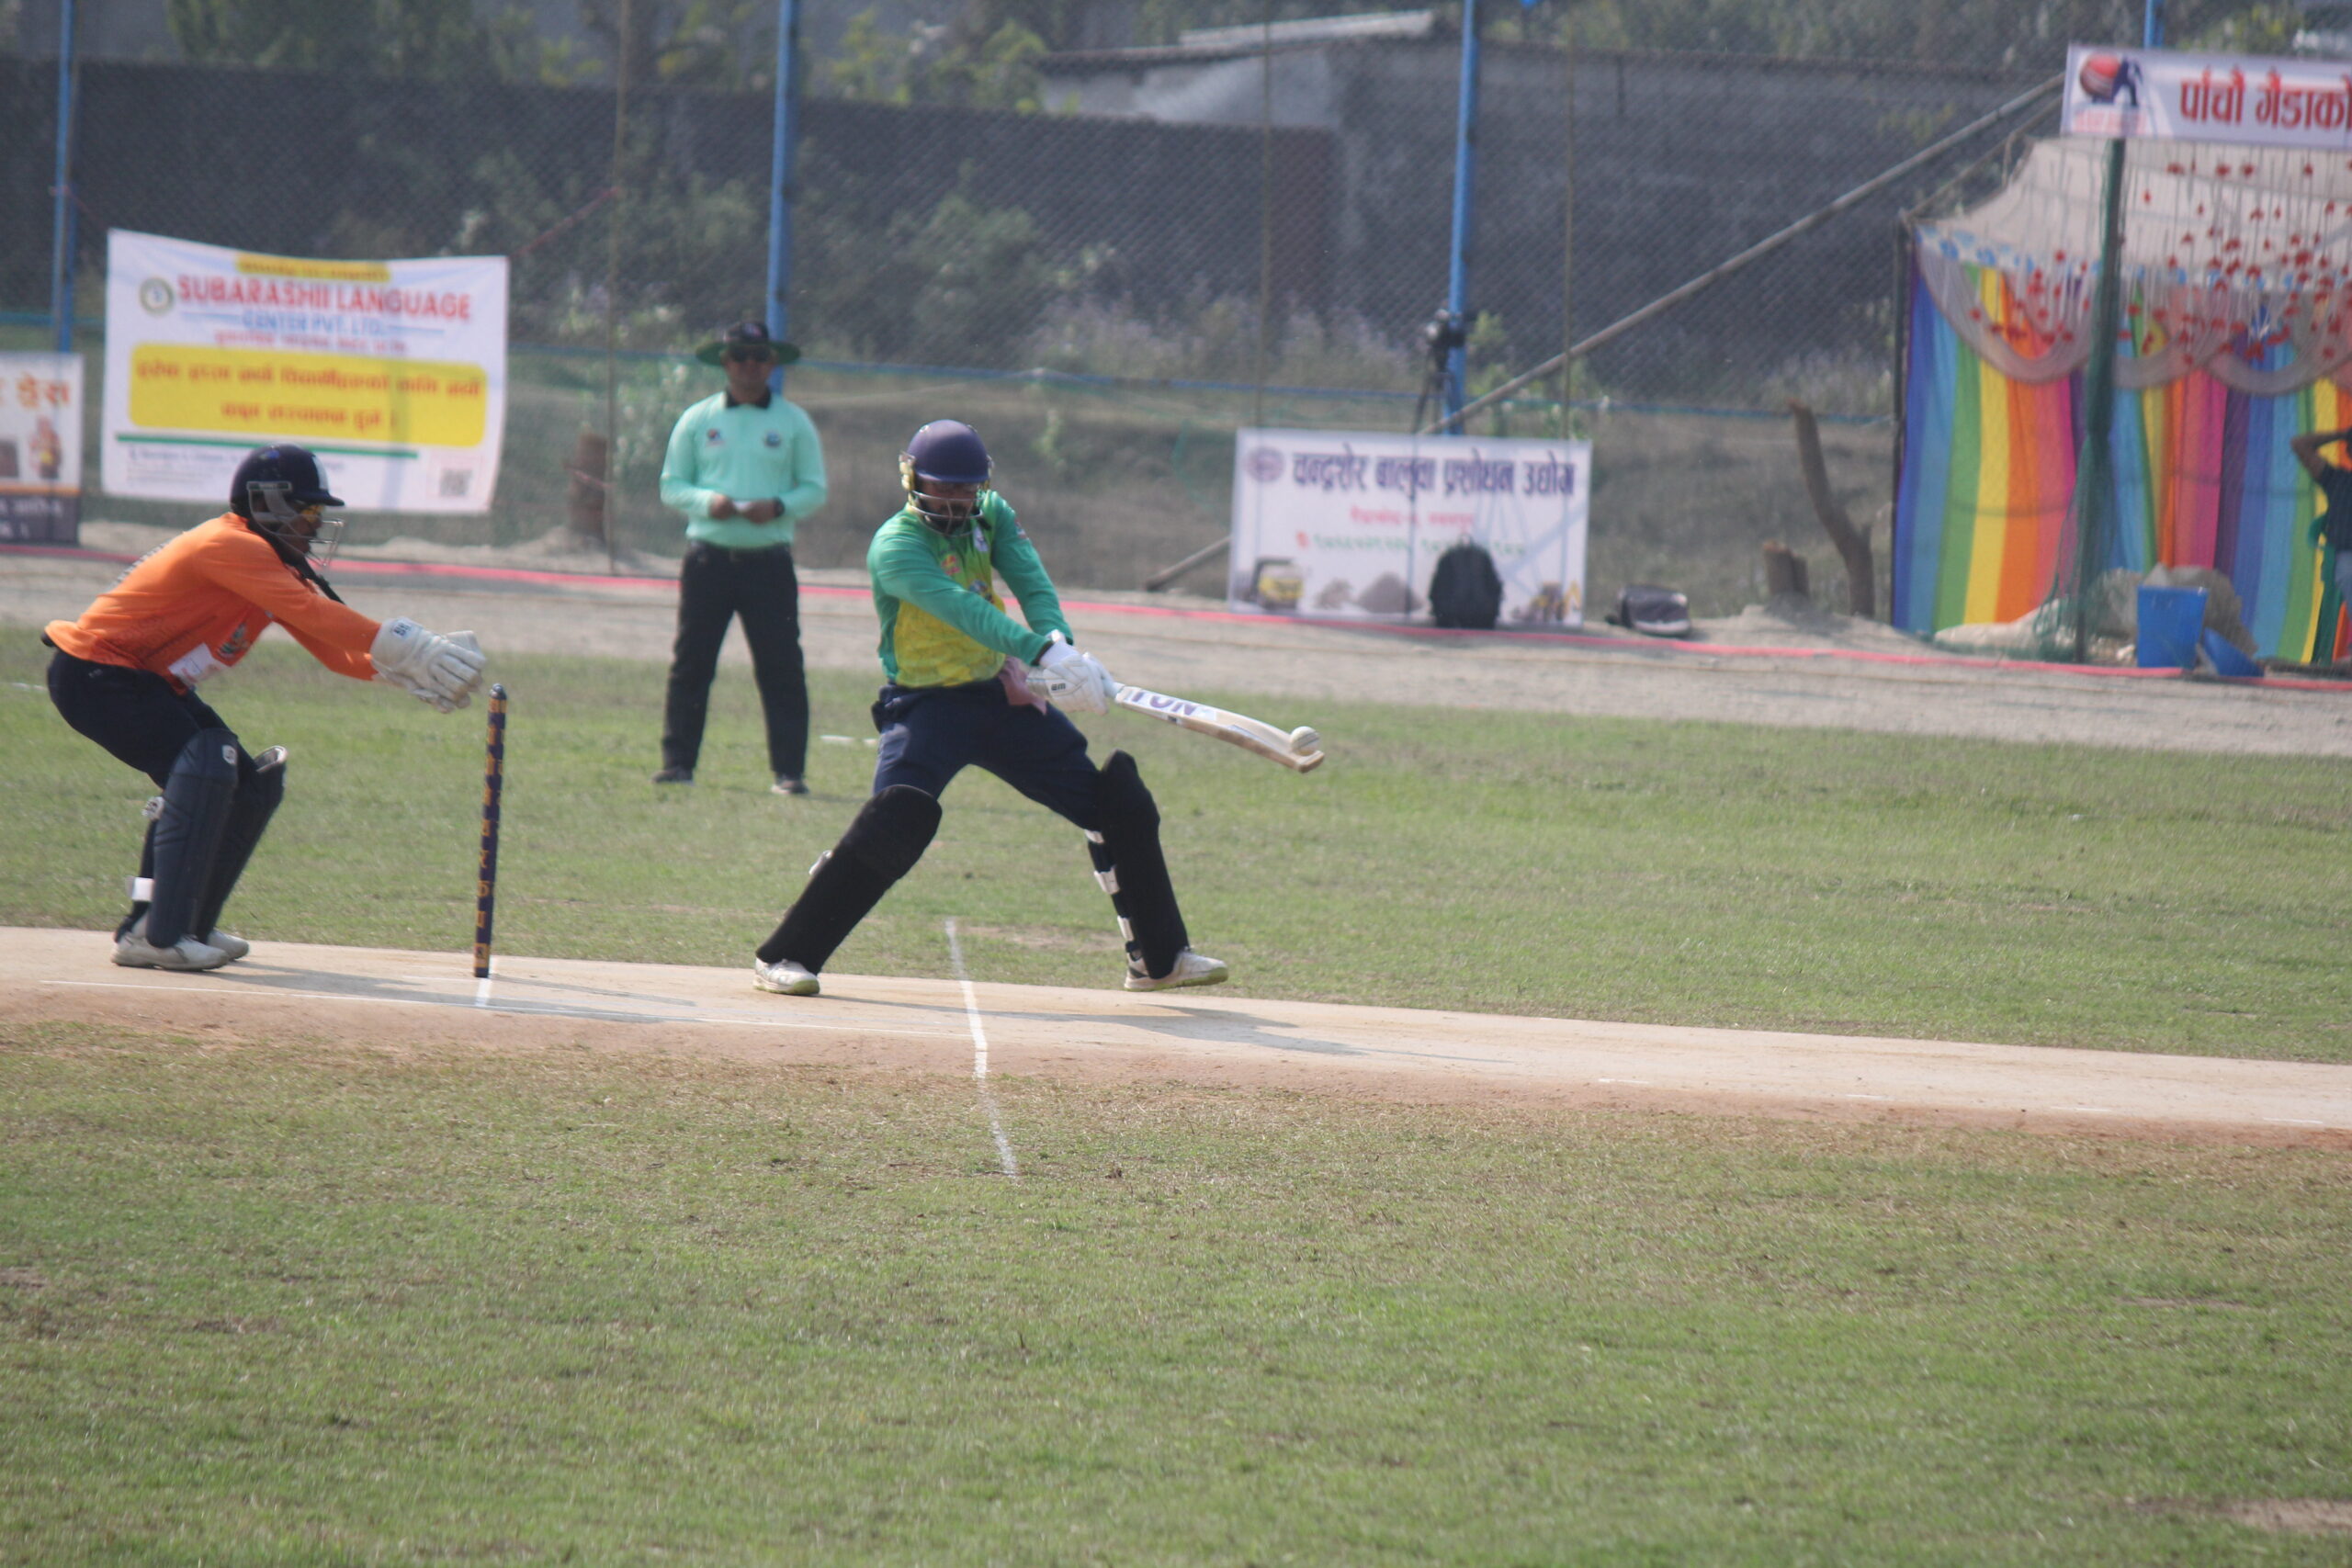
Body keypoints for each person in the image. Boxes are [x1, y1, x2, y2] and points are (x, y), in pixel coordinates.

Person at [748, 420, 1227, 998]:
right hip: (926, 705)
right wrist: (1041, 652)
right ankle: (786, 955)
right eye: (942, 486)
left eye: (966, 487)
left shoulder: (992, 514)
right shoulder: (896, 546)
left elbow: (1031, 582)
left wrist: (1060, 646)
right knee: (895, 820)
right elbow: (965, 612)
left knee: (1116, 801)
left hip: (1000, 694)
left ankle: (1159, 959)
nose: (956, 500)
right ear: (912, 480)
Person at [43, 443, 487, 972]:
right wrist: (414, 646)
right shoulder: (231, 544)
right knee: (207, 762)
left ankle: (179, 923)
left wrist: (407, 674)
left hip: (142, 682)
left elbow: (336, 652)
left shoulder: (270, 566)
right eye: (307, 511)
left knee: (247, 785)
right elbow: (316, 615)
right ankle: (155, 934)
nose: (315, 525)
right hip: (97, 674)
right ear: (267, 504)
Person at [654, 320, 829, 794]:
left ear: (772, 363)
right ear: (724, 363)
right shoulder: (698, 419)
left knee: (781, 667)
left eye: (758, 357)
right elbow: (672, 485)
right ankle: (678, 764)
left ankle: (789, 773)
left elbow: (814, 488)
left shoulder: (792, 422)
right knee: (692, 663)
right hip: (708, 560)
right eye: (740, 357)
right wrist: (707, 502)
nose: (749, 366)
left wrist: (779, 507)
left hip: (768, 562)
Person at [2293, 423, 2352, 641]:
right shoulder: (2337, 479)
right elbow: (2299, 444)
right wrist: (2341, 434)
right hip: (2348, 556)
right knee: (2349, 573)